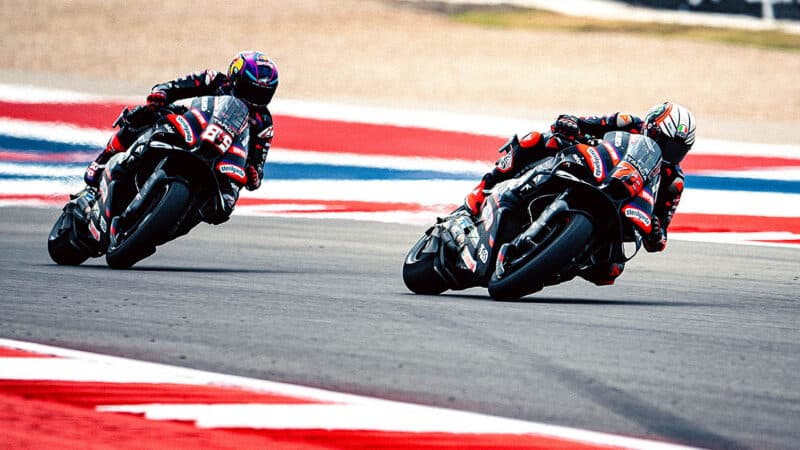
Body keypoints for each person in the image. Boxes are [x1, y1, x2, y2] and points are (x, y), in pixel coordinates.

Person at [464, 101, 696, 285]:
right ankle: (480, 193)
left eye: (678, 150)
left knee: (610, 271)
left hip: (619, 211)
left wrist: (656, 232)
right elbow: (581, 122)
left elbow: (661, 237)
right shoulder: (626, 123)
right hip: (593, 169)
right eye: (665, 143)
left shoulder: (673, 181)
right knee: (537, 140)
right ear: (651, 127)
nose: (669, 152)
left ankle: (558, 260)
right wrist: (570, 124)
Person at [76, 50, 278, 221]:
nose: (253, 99)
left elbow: (257, 165)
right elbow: (173, 86)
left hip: (221, 159)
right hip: (192, 128)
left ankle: (179, 218)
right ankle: (103, 160)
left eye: (262, 94)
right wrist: (161, 94)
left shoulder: (264, 123)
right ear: (234, 78)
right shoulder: (214, 80)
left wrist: (253, 175)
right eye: (249, 90)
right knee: (144, 114)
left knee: (224, 209)